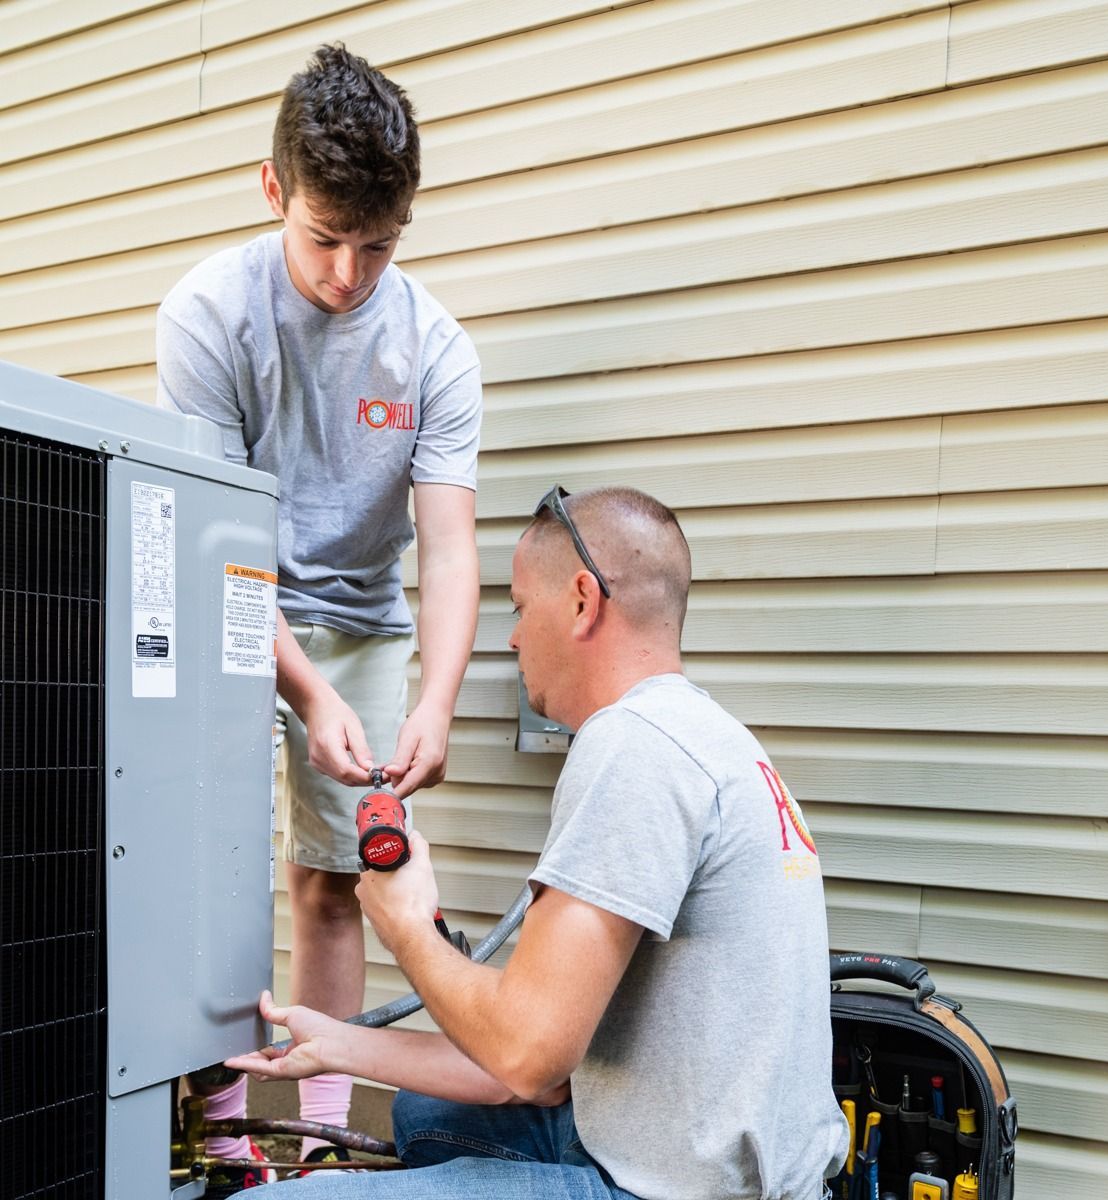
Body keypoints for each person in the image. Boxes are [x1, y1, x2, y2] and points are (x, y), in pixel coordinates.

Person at [227, 486, 850, 1199]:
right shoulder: (711, 736)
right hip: (712, 1159)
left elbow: (525, 1056)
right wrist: (336, 1043)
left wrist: (405, 927)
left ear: (583, 601)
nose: (514, 638)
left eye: (521, 608)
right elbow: (541, 1068)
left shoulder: (634, 747)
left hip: (671, 1190)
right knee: (426, 1116)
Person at [156, 44, 482, 1182]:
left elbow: (446, 549)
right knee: (212, 863)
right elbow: (220, 544)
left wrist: (434, 702)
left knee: (333, 883)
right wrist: (302, 690)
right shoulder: (209, 314)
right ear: (272, 190)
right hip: (224, 598)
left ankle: (314, 1147)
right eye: (324, 239)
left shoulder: (437, 347)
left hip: (361, 616)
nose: (350, 273)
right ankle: (227, 1139)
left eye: (379, 245)